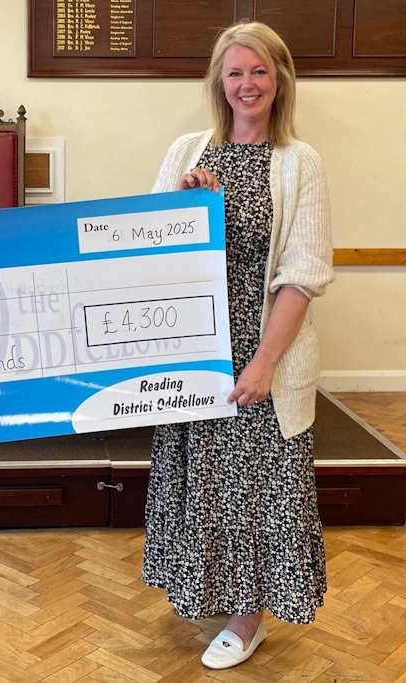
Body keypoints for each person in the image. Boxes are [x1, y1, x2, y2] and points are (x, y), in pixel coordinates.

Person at [143, 21, 334, 670]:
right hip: (194, 354)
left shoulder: (299, 162)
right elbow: (146, 246)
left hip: (262, 358)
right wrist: (192, 212)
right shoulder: (187, 151)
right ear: (217, 83)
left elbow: (302, 274)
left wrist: (264, 361)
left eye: (258, 71)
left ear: (279, 80)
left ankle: (249, 616)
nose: (246, 84)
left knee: (257, 487)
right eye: (234, 73)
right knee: (206, 484)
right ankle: (214, 592)